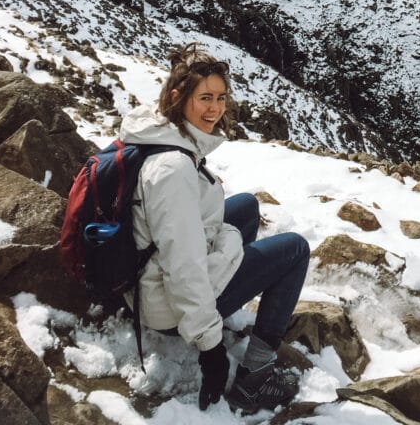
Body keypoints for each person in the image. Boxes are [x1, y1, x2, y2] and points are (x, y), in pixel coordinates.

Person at [119, 42, 310, 413]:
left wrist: (227, 237)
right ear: (178, 97)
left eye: (221, 97)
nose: (216, 109)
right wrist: (211, 350)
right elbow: (183, 266)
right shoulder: (172, 170)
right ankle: (255, 377)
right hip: (164, 304)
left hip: (148, 273)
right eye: (205, 97)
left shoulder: (160, 131)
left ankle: (223, 305)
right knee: (295, 250)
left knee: (246, 208)